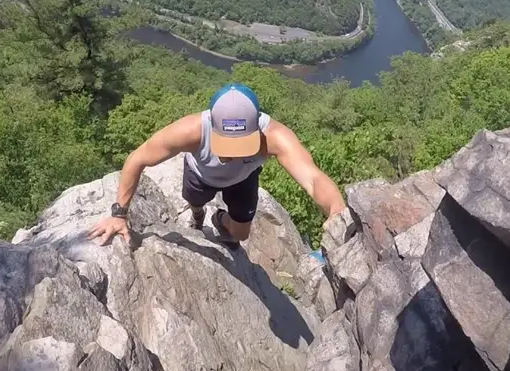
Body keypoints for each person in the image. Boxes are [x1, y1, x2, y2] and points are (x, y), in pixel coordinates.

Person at [87, 83, 348, 248]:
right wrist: (119, 214)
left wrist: (336, 210)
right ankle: (198, 214)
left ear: (256, 129)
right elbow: (137, 158)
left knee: (240, 235)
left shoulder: (273, 137)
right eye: (226, 147)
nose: (232, 156)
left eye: (241, 146)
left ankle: (219, 218)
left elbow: (312, 178)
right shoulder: (190, 131)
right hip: (201, 174)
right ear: (212, 126)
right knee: (195, 201)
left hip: (243, 180)